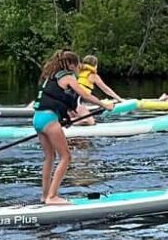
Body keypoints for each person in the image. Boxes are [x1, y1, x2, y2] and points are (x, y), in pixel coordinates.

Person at [34, 50, 111, 205]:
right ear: (70, 65)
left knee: (49, 157)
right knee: (66, 157)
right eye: (77, 66)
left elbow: (60, 101)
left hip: (37, 119)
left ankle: (45, 195)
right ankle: (52, 197)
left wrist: (66, 118)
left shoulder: (50, 77)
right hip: (49, 120)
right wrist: (104, 104)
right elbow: (86, 96)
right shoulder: (67, 77)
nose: (78, 69)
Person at [73, 53, 125, 122]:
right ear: (95, 65)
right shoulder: (93, 75)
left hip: (74, 97)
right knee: (89, 121)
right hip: (81, 98)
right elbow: (105, 89)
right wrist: (119, 99)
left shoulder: (80, 72)